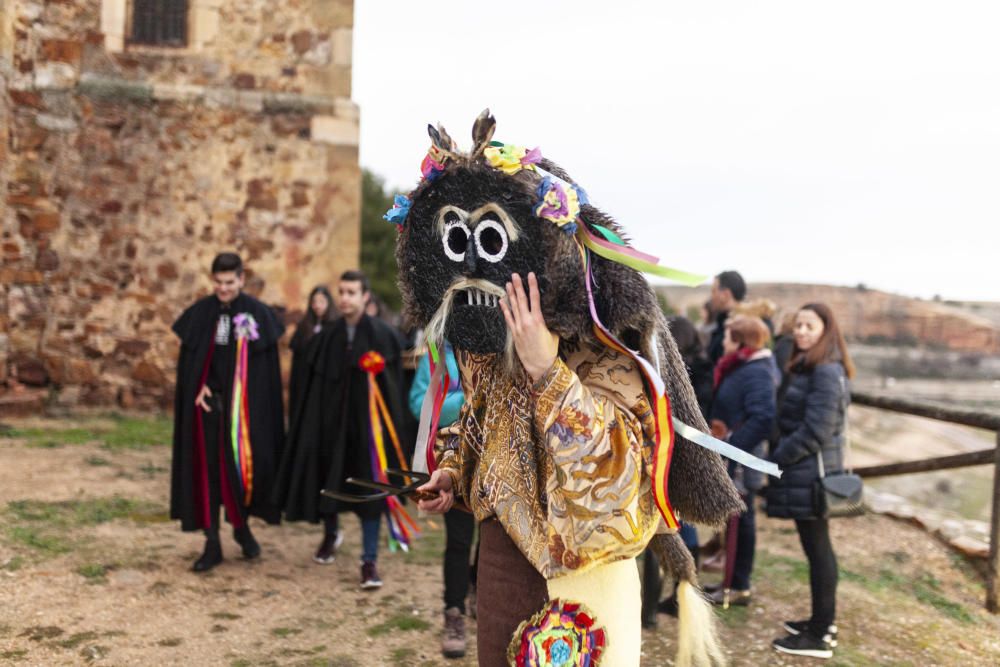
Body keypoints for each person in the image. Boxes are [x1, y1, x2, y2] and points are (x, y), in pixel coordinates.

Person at [398, 112, 745, 667]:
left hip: (580, 582)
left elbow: (618, 477)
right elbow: (491, 431)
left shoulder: (605, 347)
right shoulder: (489, 346)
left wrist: (548, 372)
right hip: (501, 566)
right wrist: (454, 471)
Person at [273, 270, 407, 589]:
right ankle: (330, 535)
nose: (345, 298)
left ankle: (369, 559)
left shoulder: (382, 335)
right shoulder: (325, 337)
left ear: (365, 297)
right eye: (342, 292)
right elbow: (309, 385)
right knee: (328, 480)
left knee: (371, 487)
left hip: (368, 433)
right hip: (330, 427)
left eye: (352, 292)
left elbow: (394, 390)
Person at [170, 252, 286, 572]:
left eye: (230, 282)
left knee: (239, 473)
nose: (224, 288)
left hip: (244, 416)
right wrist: (200, 386)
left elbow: (264, 375)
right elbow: (192, 365)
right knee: (208, 474)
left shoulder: (258, 314)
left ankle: (241, 528)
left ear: (241, 280)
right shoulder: (200, 314)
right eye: (218, 283)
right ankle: (212, 543)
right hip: (209, 412)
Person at [765, 303, 855, 659]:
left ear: (826, 330)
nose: (801, 331)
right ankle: (821, 623)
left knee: (819, 551)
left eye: (810, 326)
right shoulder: (811, 366)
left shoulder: (826, 371)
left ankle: (821, 634)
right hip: (806, 474)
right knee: (815, 549)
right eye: (799, 325)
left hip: (814, 477)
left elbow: (816, 431)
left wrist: (776, 459)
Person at [641, 315, 711, 625]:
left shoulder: (657, 368)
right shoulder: (704, 371)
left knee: (656, 531)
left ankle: (650, 610)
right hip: (681, 459)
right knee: (673, 531)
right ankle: (665, 604)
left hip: (661, 457)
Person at [705, 315, 778, 607]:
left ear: (740, 342)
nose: (723, 342)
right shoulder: (744, 367)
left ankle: (737, 586)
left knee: (742, 521)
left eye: (727, 337)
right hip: (734, 453)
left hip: (743, 459)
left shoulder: (757, 372)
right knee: (736, 520)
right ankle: (732, 582)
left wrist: (733, 449)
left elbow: (762, 417)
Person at [408, 342, 473, 659]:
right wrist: (467, 400)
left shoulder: (497, 346)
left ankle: (477, 591)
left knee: (493, 539)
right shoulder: (435, 355)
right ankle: (454, 613)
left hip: (495, 460)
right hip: (452, 458)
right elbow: (418, 402)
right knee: (459, 540)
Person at [288, 285, 337, 424]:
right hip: (305, 380)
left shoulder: (335, 326)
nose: (317, 306)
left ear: (328, 303)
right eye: (314, 302)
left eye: (321, 301)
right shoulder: (304, 326)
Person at [706, 270, 746, 366]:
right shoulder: (722, 323)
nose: (711, 296)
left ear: (726, 294)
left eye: (713, 291)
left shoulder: (743, 329)